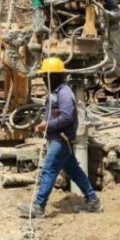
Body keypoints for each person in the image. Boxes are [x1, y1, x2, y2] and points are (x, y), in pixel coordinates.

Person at [18, 57, 103, 219]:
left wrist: (47, 125)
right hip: (59, 138)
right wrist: (45, 123)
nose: (43, 78)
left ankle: (39, 206)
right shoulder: (57, 92)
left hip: (61, 139)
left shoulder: (64, 93)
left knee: (48, 170)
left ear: (55, 75)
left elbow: (67, 117)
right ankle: (93, 201)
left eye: (46, 75)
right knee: (75, 171)